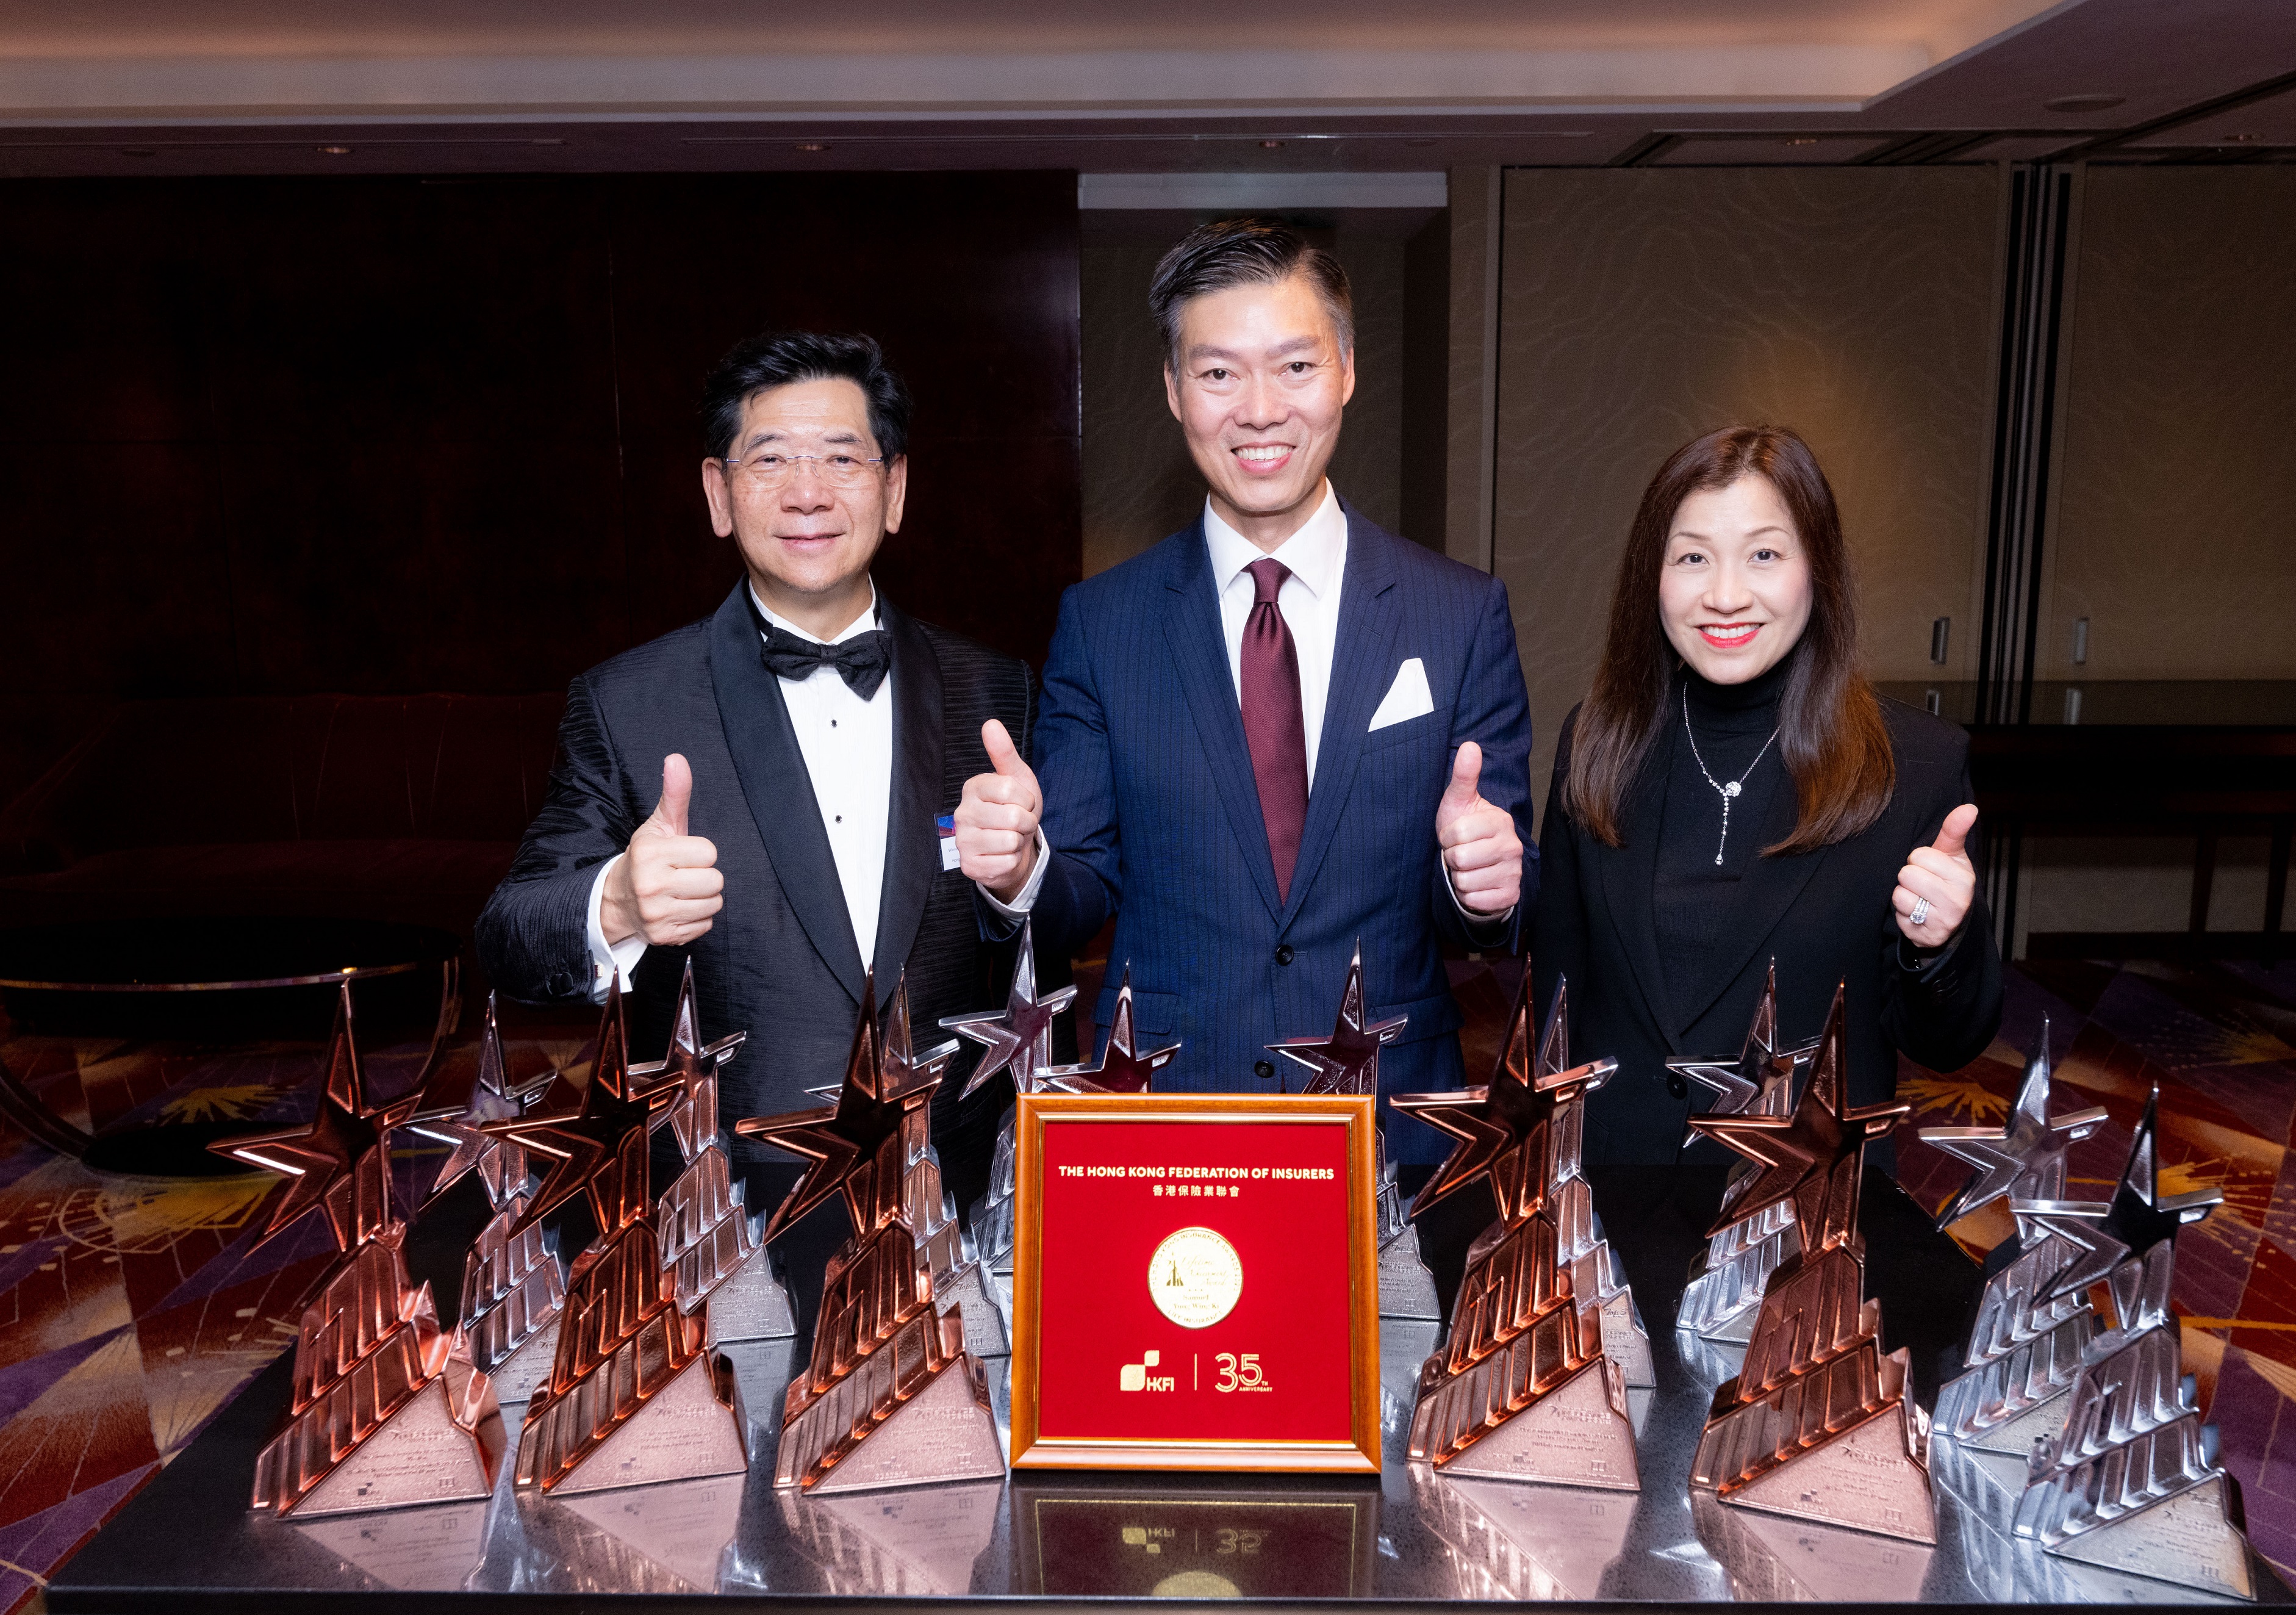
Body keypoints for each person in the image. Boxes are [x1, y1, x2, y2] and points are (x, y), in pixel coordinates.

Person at [951, 218, 1533, 1150]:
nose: (1260, 409)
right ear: (1175, 390)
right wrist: (1022, 870)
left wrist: (1485, 888)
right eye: (1220, 373)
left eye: (1295, 368)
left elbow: (1496, 891)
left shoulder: (1458, 614)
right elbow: (1085, 886)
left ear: (1346, 370)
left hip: (1389, 1118)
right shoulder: (1104, 624)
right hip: (1171, 1111)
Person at [475, 330, 1035, 1218]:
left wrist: (1018, 882)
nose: (807, 492)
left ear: (895, 489)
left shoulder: (992, 685)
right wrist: (616, 901)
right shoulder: (630, 702)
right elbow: (508, 934)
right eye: (769, 459)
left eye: (842, 459)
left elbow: (1031, 946)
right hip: (728, 1197)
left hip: (953, 1178)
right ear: (718, 493)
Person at [1532, 424, 2001, 1163]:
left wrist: (1940, 946)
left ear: (1816, 568)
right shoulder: (1596, 741)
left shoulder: (1915, 764)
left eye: (1763, 555)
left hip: (1800, 1209)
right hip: (1608, 1197)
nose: (1725, 596)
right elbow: (1551, 1008)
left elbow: (1947, 1045)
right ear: (1650, 576)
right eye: (1692, 557)